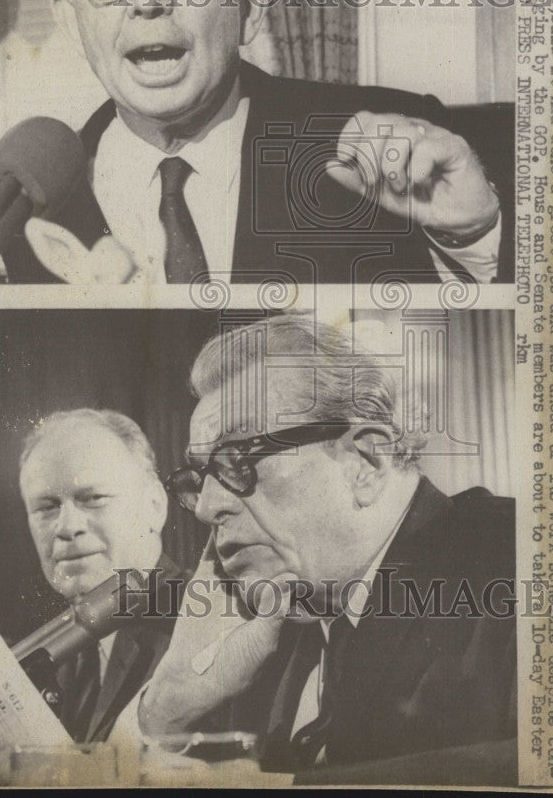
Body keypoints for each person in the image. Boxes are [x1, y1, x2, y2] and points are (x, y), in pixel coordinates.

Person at [0, 0, 509, 287]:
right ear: (72, 20)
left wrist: (477, 233)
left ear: (250, 4)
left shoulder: (396, 151)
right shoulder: (33, 208)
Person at [137, 315, 516, 785]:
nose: (207, 508)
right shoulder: (261, 632)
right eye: (200, 479)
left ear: (366, 461)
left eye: (239, 458)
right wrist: (168, 707)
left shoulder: (517, 552)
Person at [18, 408, 183, 743]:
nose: (66, 528)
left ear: (155, 506)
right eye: (47, 507)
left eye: (93, 498)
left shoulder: (202, 622)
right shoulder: (47, 656)